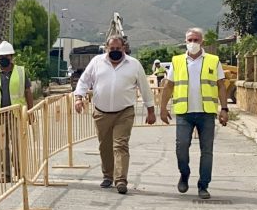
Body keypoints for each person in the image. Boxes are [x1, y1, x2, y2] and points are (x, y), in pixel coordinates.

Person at [73, 35, 156, 194]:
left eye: (118, 48)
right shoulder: (97, 62)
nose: (115, 51)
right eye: (112, 49)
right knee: (105, 146)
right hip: (101, 112)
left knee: (120, 145)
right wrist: (78, 98)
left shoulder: (134, 64)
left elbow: (145, 88)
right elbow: (84, 81)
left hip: (124, 112)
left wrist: (150, 110)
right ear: (106, 48)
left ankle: (121, 180)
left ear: (124, 48)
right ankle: (108, 176)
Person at [159, 28, 229, 199]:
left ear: (202, 42)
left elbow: (221, 86)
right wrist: (162, 108)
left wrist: (224, 109)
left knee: (207, 151)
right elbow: (169, 86)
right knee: (181, 146)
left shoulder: (213, 60)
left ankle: (203, 185)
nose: (193, 43)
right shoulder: (177, 61)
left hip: (206, 112)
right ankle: (184, 174)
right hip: (184, 113)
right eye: (190, 40)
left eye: (196, 40)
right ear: (185, 41)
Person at [0, 40, 34, 183]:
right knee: (2, 146)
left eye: (6, 56)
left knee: (18, 144)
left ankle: (19, 171)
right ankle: (5, 175)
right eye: (1, 57)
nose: (3, 59)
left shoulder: (21, 71)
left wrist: (30, 112)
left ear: (11, 57)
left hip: (16, 114)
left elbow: (28, 92)